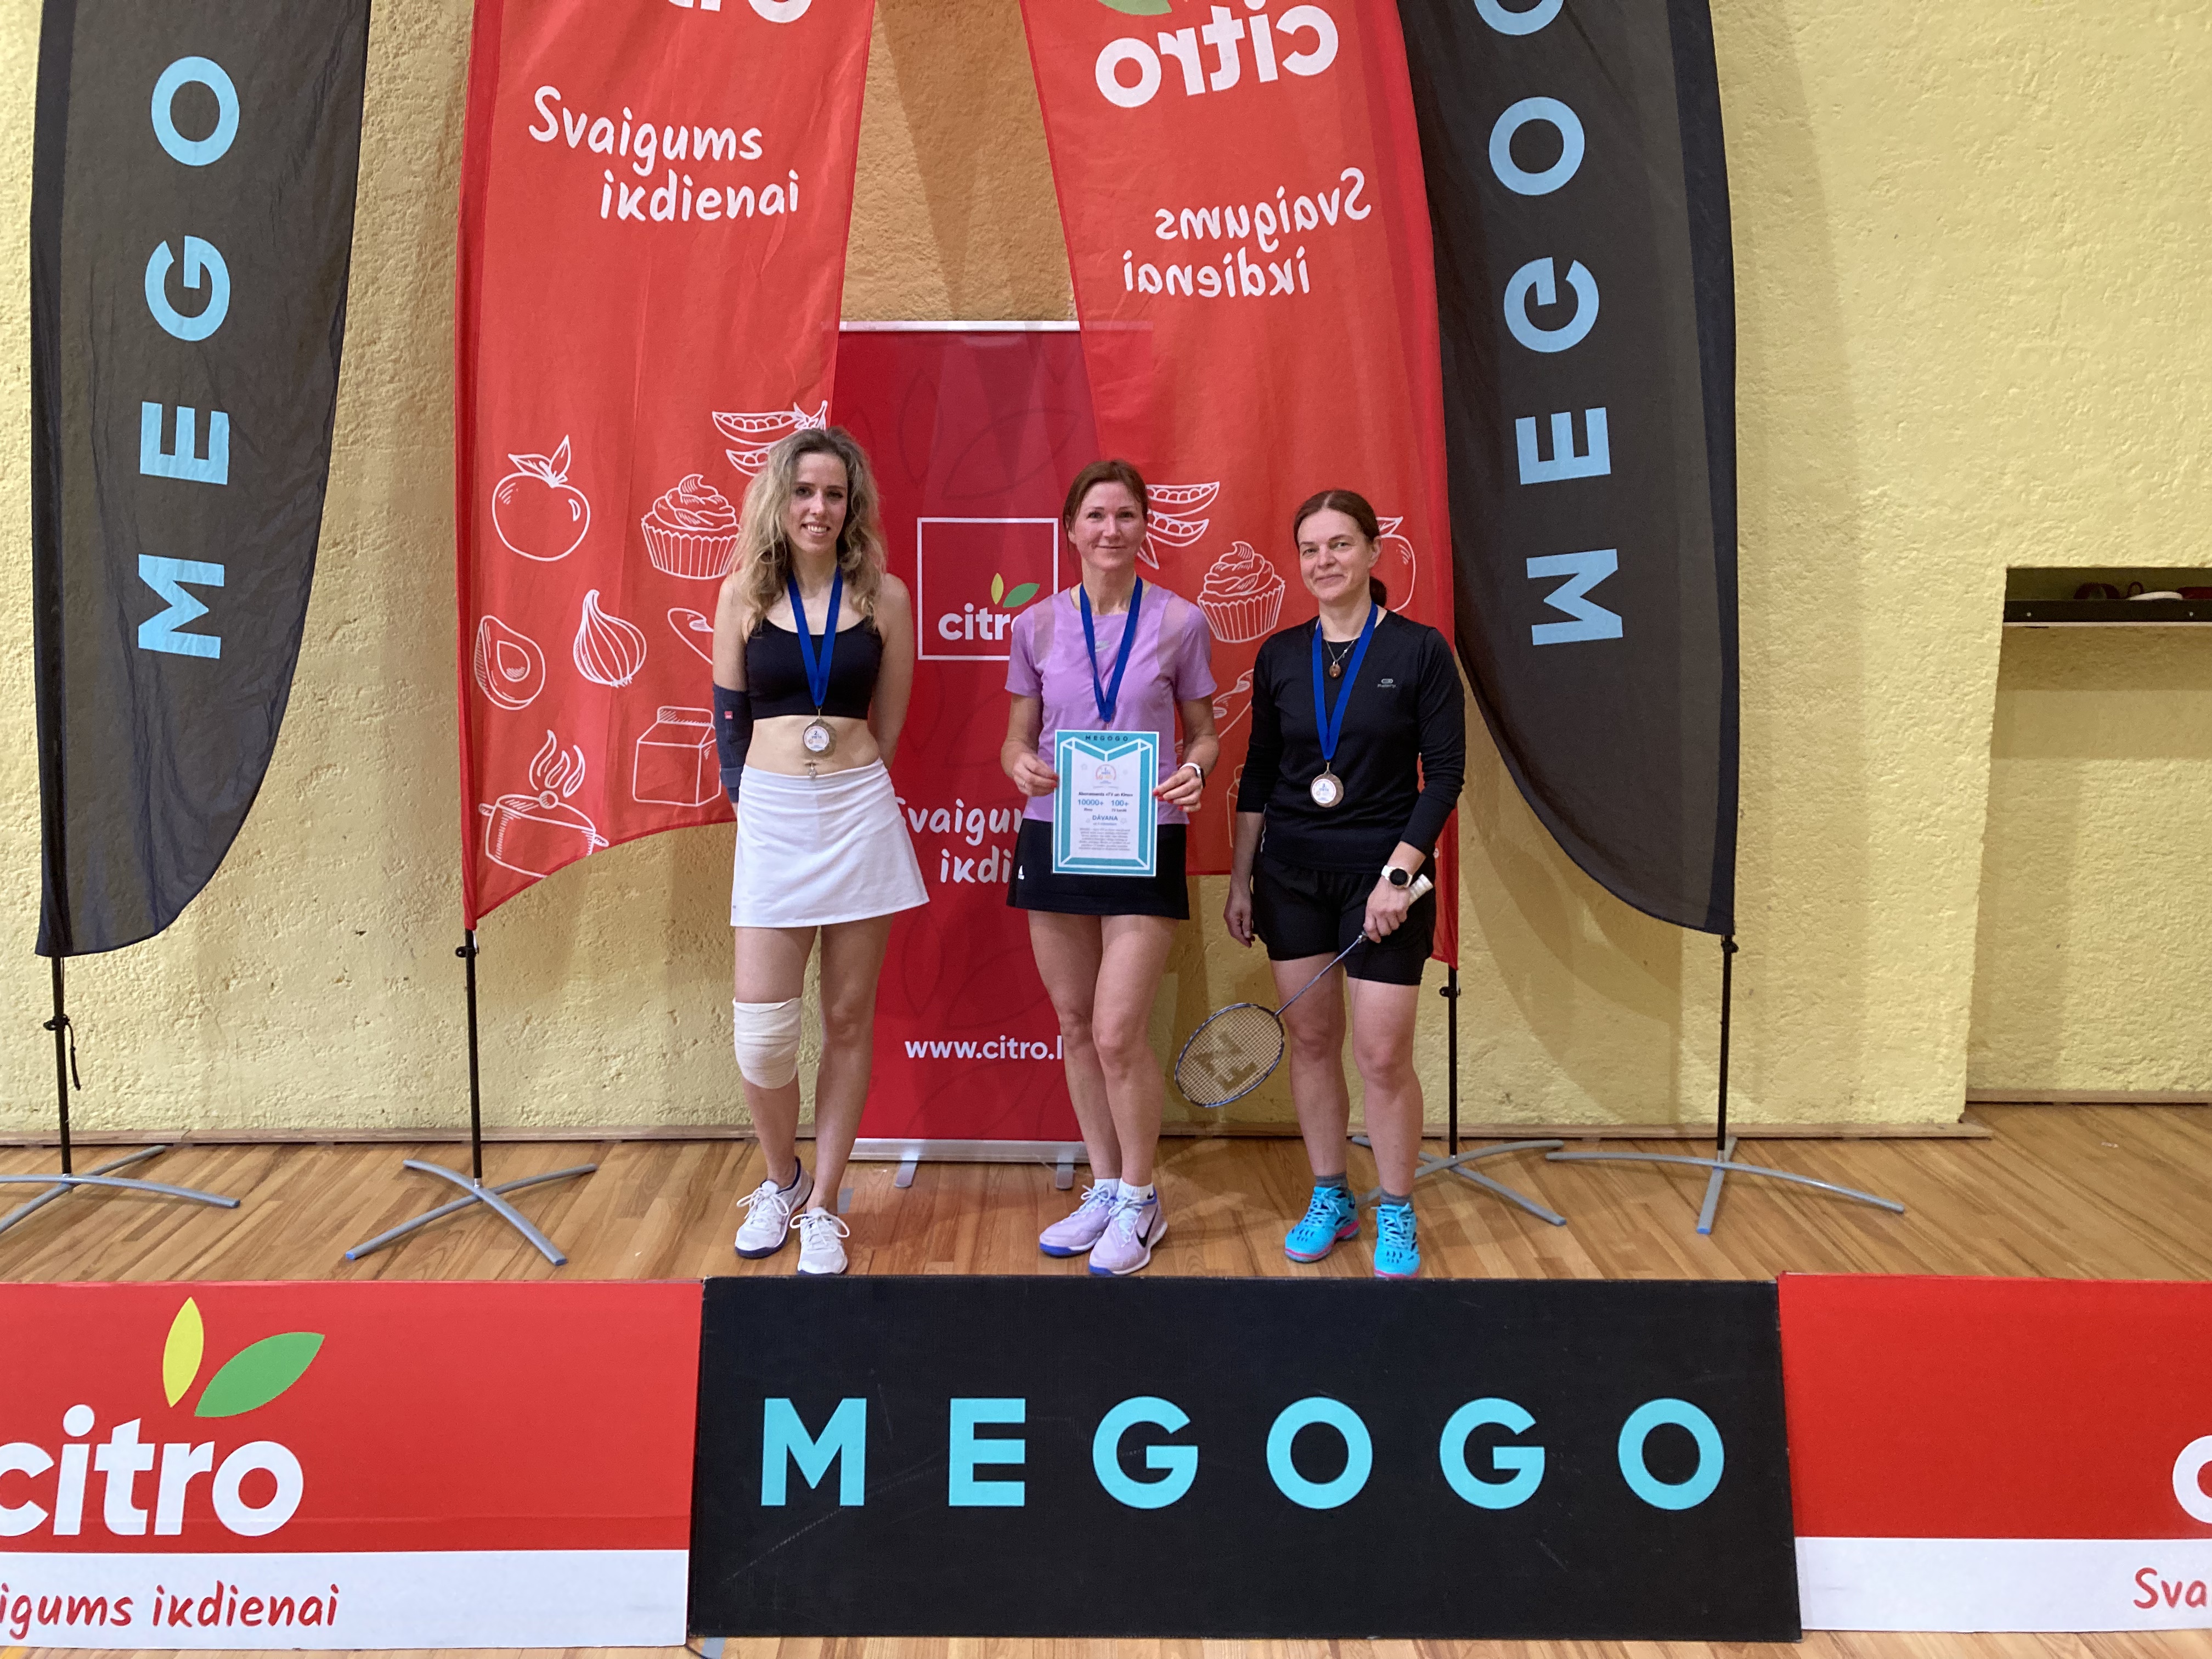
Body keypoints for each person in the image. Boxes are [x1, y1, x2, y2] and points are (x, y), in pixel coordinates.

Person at [1224, 489, 1465, 1278]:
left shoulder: (1420, 651)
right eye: (1311, 549)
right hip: (1290, 875)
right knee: (1313, 1041)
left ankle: (1396, 1205)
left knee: (1382, 1054)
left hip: (1384, 877)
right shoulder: (1280, 656)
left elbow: (1445, 775)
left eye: (1340, 544)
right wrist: (1241, 879)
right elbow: (1260, 771)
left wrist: (1399, 876)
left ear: (1372, 552)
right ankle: (1332, 1194)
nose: (1324, 560)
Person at [710, 426, 927, 1276]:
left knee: (845, 1017)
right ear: (781, 499)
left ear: (853, 506)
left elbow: (892, 725)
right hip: (771, 815)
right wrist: (760, 802)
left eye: (835, 494)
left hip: (856, 811)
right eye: (804, 492)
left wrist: (843, 784)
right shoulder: (742, 594)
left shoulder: (886, 597)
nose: (819, 508)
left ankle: (827, 1204)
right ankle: (783, 1180)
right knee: (762, 1033)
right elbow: (729, 724)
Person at [1002, 459, 1220, 1276]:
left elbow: (1204, 733)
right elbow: (1016, 738)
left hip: (1144, 836)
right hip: (1055, 836)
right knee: (1074, 1023)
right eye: (1096, 515)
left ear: (1144, 527)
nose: (1110, 530)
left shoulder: (1181, 622)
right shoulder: (1035, 626)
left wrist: (1195, 769)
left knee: (1117, 1029)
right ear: (1071, 529)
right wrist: (1019, 765)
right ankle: (1103, 1185)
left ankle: (1140, 1195)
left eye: (1126, 515)